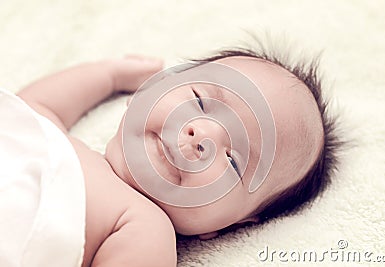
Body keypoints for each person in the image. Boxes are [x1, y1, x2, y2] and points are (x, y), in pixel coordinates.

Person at [1, 44, 339, 266]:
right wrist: (109, 75)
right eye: (201, 101)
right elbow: (35, 104)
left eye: (234, 161)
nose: (201, 135)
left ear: (225, 226)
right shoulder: (56, 138)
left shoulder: (144, 226)